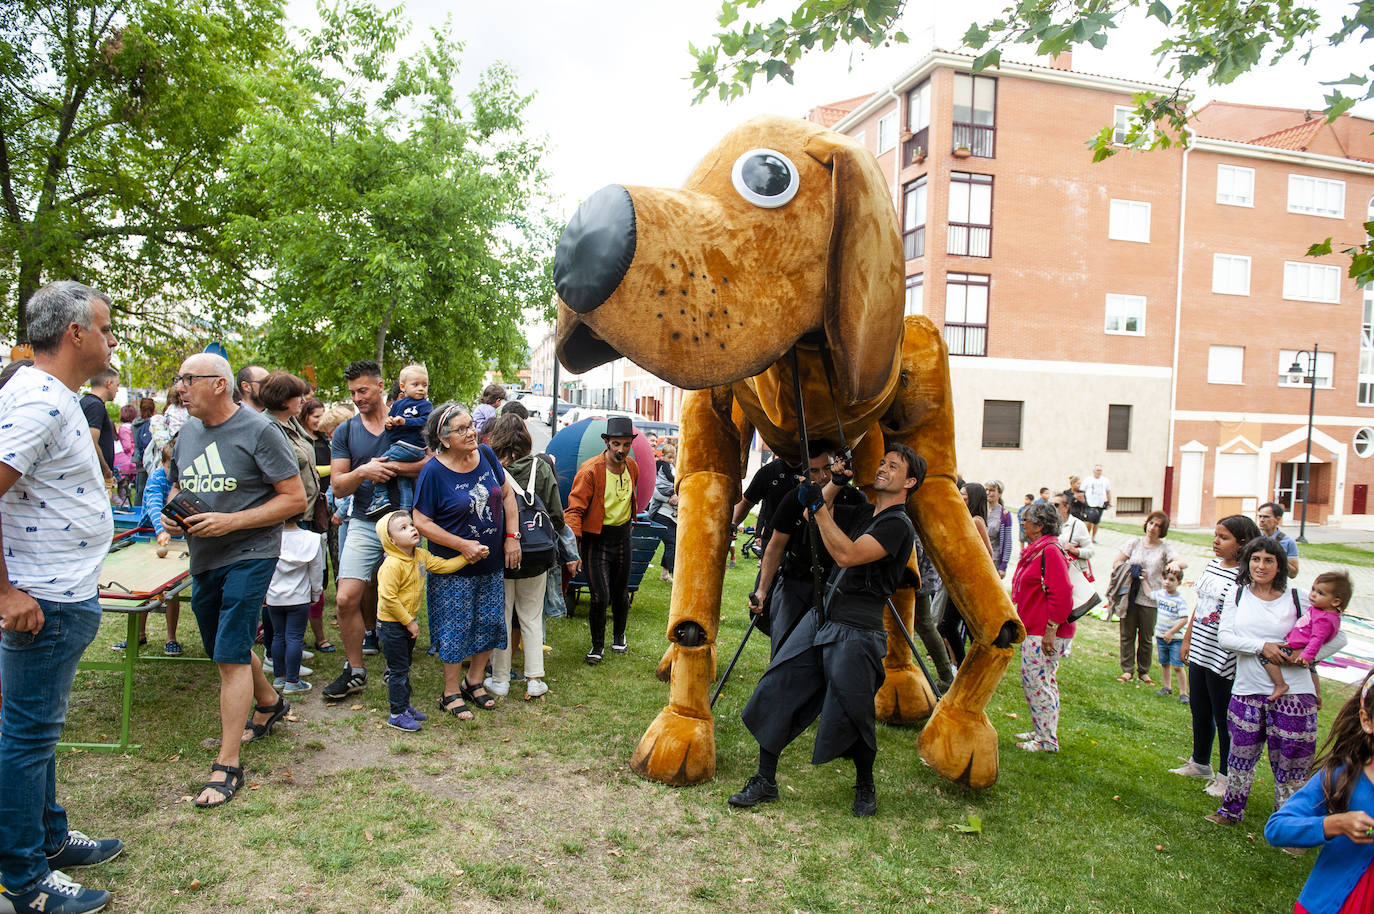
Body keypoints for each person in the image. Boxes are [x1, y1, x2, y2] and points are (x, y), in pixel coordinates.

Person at [0, 280, 122, 914]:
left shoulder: (50, 394)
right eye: (104, 328)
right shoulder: (39, 402)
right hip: (40, 600)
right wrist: (6, 591)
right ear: (76, 333)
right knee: (25, 738)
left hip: (60, 591)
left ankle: (47, 839)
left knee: (39, 734)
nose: (110, 340)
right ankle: (20, 881)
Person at [731, 445, 922, 817]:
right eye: (882, 461)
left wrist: (820, 505)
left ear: (909, 482)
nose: (882, 467)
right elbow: (807, 511)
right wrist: (833, 482)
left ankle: (865, 784)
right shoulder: (866, 512)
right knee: (779, 683)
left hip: (858, 629)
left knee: (854, 712)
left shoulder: (897, 525)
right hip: (822, 617)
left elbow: (847, 555)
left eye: (893, 466)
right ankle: (765, 780)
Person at [160, 353, 306, 808]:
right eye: (179, 380)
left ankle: (228, 765)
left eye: (187, 379)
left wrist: (232, 522)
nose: (180, 387)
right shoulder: (186, 433)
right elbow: (180, 486)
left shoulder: (261, 430)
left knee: (229, 656)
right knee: (225, 645)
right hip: (204, 557)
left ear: (218, 384)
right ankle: (270, 702)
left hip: (251, 552)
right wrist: (172, 514)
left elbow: (294, 499)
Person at [324, 362, 428, 701]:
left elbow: (430, 464)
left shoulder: (406, 420)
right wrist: (364, 472)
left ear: (381, 386)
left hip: (403, 523)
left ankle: (399, 669)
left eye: (363, 391)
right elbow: (338, 487)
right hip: (364, 523)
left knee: (403, 597)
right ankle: (355, 671)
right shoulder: (345, 432)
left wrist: (395, 467)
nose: (357, 398)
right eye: (352, 393)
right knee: (345, 598)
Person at [411, 404, 519, 719]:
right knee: (455, 627)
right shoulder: (433, 471)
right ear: (443, 439)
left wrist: (512, 537)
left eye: (470, 425)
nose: (471, 432)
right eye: (461, 429)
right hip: (453, 567)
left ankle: (474, 681)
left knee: (488, 622)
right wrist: (461, 545)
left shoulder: (485, 455)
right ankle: (450, 692)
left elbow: (508, 495)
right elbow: (421, 521)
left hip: (491, 562)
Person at [1209, 536, 1324, 825]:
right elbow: (1225, 637)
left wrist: (1300, 654)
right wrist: (1263, 646)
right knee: (1240, 756)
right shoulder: (1237, 595)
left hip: (1295, 695)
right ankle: (1230, 812)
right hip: (1247, 690)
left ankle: (1288, 824)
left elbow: (1336, 636)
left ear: (1279, 565)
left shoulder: (1297, 598)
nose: (1261, 565)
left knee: (1293, 764)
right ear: (1247, 562)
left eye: (1269, 560)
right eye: (1256, 559)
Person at [1264, 673, 1374, 912]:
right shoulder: (1342, 777)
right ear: (1367, 720)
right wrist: (1335, 824)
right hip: (1326, 905)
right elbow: (1277, 828)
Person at [1172, 514, 1262, 798]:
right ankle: (1200, 762)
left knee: (1224, 717)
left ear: (1242, 543)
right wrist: (1187, 638)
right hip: (1200, 645)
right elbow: (1201, 603)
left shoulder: (1246, 577)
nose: (1216, 541)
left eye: (1223, 537)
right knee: (1199, 707)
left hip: (1223, 655)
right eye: (1215, 535)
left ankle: (1226, 774)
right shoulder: (1212, 565)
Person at [749, 442, 867, 656]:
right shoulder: (795, 498)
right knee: (785, 648)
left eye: (827, 468)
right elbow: (776, 547)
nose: (822, 476)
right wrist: (762, 590)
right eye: (814, 470)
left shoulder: (855, 499)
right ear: (804, 470)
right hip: (795, 583)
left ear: (837, 464)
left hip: (835, 587)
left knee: (829, 655)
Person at [484, 413, 561, 699]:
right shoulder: (540, 468)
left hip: (501, 552)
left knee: (502, 614)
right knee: (531, 615)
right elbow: (556, 513)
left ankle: (500, 679)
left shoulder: (490, 470)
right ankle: (534, 679)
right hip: (536, 554)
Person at [374, 510, 468, 730]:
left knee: (404, 666)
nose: (412, 529)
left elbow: (442, 566)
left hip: (406, 623)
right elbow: (388, 598)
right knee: (397, 670)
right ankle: (397, 713)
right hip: (392, 625)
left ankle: (405, 706)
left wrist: (467, 556)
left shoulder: (419, 557)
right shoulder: (392, 565)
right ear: (392, 540)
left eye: (411, 525)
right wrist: (408, 622)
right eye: (403, 528)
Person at [565, 415, 642, 664]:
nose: (621, 450)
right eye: (616, 444)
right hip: (596, 539)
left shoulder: (632, 466)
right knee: (600, 596)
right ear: (607, 442)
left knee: (621, 593)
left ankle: (619, 636)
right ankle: (597, 645)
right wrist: (573, 548)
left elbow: (631, 497)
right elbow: (574, 510)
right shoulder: (590, 470)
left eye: (626, 444)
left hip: (622, 537)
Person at [1010, 500, 1073, 753]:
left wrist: (1051, 630)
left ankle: (1047, 740)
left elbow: (1063, 593)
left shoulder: (1050, 551)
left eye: (1026, 519)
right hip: (1036, 628)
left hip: (1043, 631)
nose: (1022, 523)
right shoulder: (1041, 548)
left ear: (1039, 525)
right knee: (1042, 681)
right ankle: (1042, 730)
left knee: (1038, 683)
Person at [116, 441, 184, 655]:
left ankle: (170, 637)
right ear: (162, 463)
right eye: (169, 467)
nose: (173, 472)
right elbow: (154, 506)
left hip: (176, 539)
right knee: (140, 588)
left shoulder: (184, 479)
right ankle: (137, 635)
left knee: (172, 590)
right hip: (147, 535)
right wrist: (160, 530)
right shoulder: (156, 478)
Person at [1110, 511, 1186, 684]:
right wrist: (1130, 568)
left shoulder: (1164, 548)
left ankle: (1143, 671)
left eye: (1158, 525)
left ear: (1163, 530)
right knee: (1127, 634)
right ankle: (1127, 670)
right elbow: (1116, 563)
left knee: (1146, 637)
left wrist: (1175, 563)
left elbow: (1183, 562)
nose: (1153, 528)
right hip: (1130, 595)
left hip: (1151, 598)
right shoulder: (1134, 543)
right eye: (1151, 523)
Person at [1263, 570, 1350, 702]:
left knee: (1265, 654)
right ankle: (1317, 694)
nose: (1313, 595)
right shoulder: (1323, 611)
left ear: (1336, 602)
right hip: (1300, 645)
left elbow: (1317, 639)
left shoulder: (1324, 619)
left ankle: (1280, 684)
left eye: (1320, 593)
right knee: (1311, 669)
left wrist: (1305, 656)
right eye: (1313, 589)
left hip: (1299, 648)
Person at [937, 482, 994, 668]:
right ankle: (961, 665)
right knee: (954, 626)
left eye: (963, 494)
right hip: (959, 580)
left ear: (973, 498)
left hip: (969, 582)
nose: (959, 496)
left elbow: (989, 552)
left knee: (950, 626)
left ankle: (961, 666)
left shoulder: (976, 521)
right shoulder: (965, 517)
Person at [264, 523, 325, 694]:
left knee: (278, 636)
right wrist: (316, 593)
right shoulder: (312, 539)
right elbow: (316, 571)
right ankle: (292, 680)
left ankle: (279, 677)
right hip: (299, 597)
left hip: (274, 596)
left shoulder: (270, 537)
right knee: (294, 637)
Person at [364, 363, 432, 515]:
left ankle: (380, 496)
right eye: (416, 385)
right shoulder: (397, 405)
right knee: (404, 481)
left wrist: (405, 421)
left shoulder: (425, 405)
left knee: (379, 464)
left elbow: (426, 421)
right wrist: (389, 425)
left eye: (425, 385)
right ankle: (406, 509)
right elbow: (390, 433)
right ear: (403, 387)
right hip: (399, 444)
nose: (421, 388)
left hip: (412, 447)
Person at [730, 453, 804, 553]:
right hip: (772, 542)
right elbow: (747, 502)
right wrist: (733, 524)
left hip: (804, 543)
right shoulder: (769, 471)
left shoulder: (814, 469)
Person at [1152, 569, 1190, 701]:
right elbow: (1148, 594)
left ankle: (1184, 693)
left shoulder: (1179, 600)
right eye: (1166, 579)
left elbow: (1184, 619)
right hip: (1161, 637)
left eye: (1172, 580)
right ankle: (1167, 687)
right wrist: (1143, 579)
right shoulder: (1160, 594)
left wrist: (1171, 632)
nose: (1167, 582)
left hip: (1175, 639)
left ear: (1178, 582)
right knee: (1164, 663)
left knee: (1178, 666)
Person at [80, 367, 119, 490]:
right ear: (109, 383)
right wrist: (106, 470)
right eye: (116, 385)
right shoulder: (95, 406)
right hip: (94, 476)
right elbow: (91, 440)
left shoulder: (85, 402)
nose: (117, 390)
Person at [649, 441, 679, 584]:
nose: (671, 460)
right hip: (663, 514)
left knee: (672, 543)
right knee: (671, 542)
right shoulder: (661, 468)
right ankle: (671, 572)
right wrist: (670, 499)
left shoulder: (674, 468)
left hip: (673, 516)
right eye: (669, 457)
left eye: (673, 457)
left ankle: (665, 573)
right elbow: (656, 493)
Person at [1051, 493, 1094, 580]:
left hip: (1071, 575)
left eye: (1056, 505)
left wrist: (1075, 551)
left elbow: (1090, 551)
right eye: (1050, 505)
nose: (1053, 509)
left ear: (1066, 507)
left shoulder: (1077, 525)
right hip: (1052, 571)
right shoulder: (1049, 524)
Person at [1257, 501, 1300, 579]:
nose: (1261, 520)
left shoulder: (1288, 542)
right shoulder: (1254, 537)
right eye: (1260, 516)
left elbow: (1293, 574)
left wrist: (1279, 557)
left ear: (1278, 519)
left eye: (1266, 517)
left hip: (1276, 585)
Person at [984, 479, 1013, 578]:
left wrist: (1003, 566)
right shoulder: (980, 510)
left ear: (999, 494)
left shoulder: (1004, 514)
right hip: (977, 556)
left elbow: (1007, 542)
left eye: (992, 490)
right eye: (986, 489)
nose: (988, 493)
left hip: (993, 559)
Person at [112, 404, 138, 505]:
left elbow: (127, 446)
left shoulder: (123, 429)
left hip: (124, 462)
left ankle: (124, 506)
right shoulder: (134, 426)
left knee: (120, 490)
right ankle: (126, 506)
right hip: (133, 461)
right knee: (123, 489)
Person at [1082, 464, 1112, 542]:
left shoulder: (1105, 480)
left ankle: (1093, 538)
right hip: (1090, 503)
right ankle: (1086, 537)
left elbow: (1108, 491)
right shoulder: (1088, 479)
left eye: (1100, 470)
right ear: (1093, 471)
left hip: (1100, 504)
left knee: (1096, 522)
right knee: (1089, 521)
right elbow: (1082, 491)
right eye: (1097, 470)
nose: (1099, 472)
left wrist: (1109, 501)